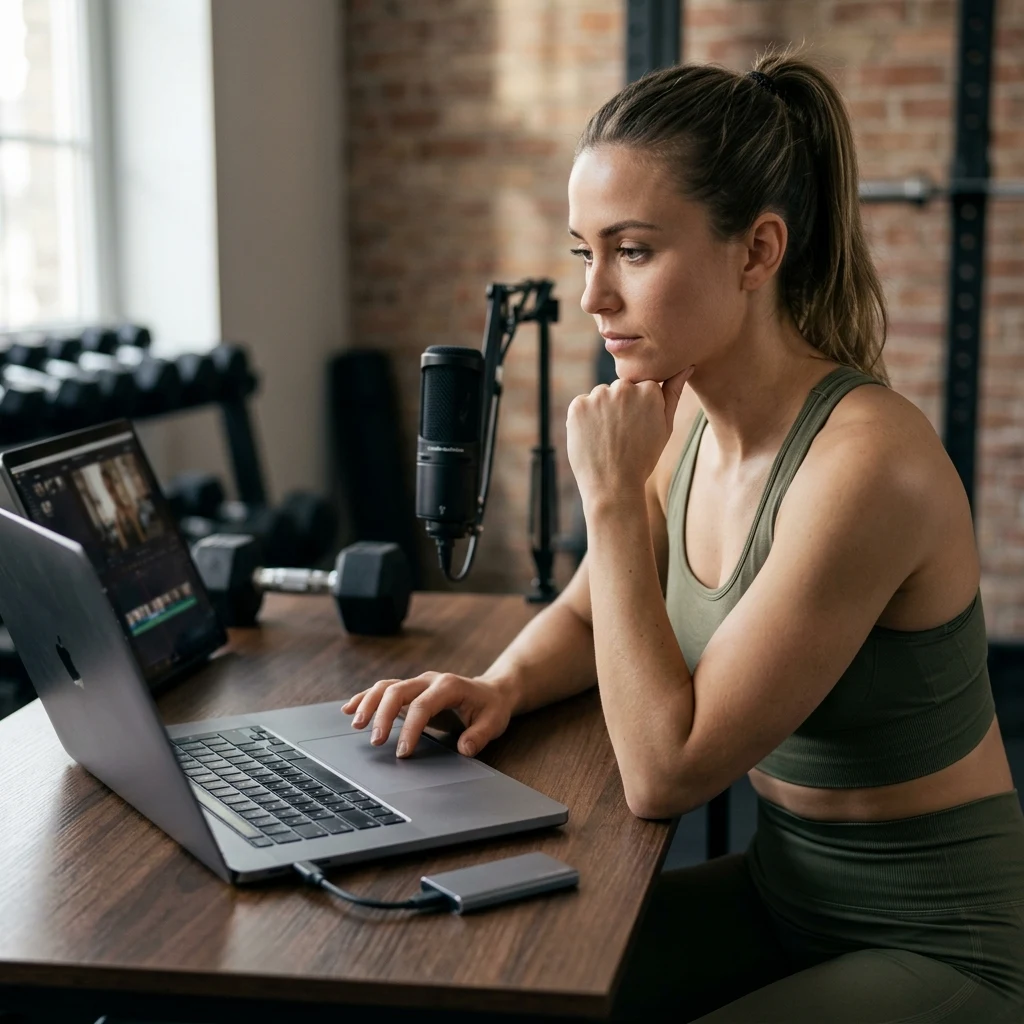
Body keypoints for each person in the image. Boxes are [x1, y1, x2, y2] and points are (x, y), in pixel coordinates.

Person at [342, 47, 1024, 1022]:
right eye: (584, 253)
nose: (594, 297)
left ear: (756, 252)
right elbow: (588, 615)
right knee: (494, 981)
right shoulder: (689, 416)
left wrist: (612, 498)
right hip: (785, 894)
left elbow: (666, 773)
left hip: (939, 939)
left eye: (633, 250)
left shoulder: (867, 468)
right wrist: (502, 682)